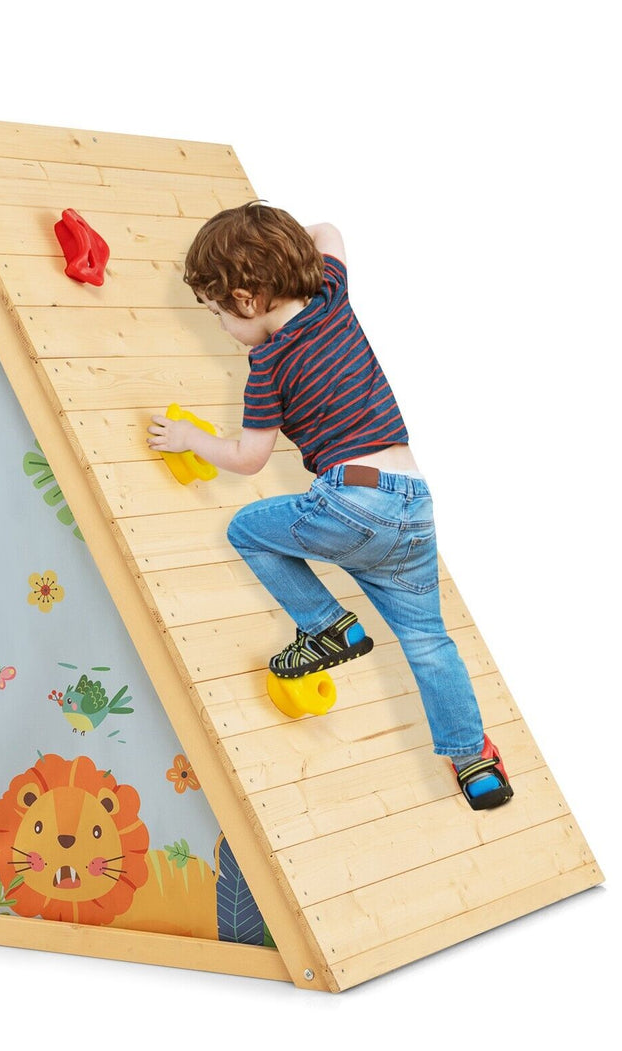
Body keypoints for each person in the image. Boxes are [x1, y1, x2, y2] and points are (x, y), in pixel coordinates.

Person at [147, 202, 512, 810]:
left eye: (217, 315)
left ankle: (326, 627)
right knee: (428, 641)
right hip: (413, 505)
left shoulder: (266, 365)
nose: (221, 328)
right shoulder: (330, 296)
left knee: (247, 530)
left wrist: (192, 440)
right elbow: (328, 232)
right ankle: (474, 762)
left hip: (349, 501)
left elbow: (247, 458)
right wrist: (284, 249)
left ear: (245, 298)